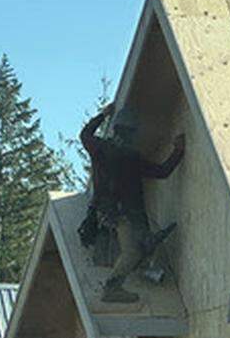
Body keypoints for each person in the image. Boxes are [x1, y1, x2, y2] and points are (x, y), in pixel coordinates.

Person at [79, 102, 185, 303]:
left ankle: (141, 270)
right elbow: (163, 172)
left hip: (106, 211)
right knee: (133, 251)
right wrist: (178, 150)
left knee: (140, 247)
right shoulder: (131, 157)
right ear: (133, 133)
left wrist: (102, 115)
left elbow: (84, 135)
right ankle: (112, 288)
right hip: (124, 214)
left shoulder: (100, 148)